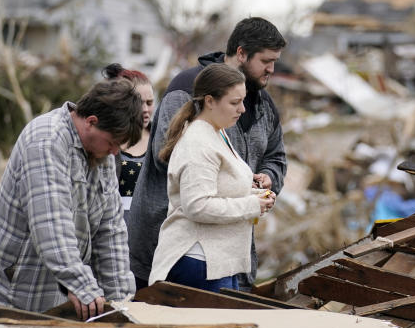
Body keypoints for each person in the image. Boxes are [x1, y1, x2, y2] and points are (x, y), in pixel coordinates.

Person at [127, 16, 287, 289]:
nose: (272, 69)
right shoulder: (187, 90)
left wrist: (267, 177)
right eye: (265, 61)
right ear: (241, 53)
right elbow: (166, 157)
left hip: (226, 249)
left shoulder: (263, 103)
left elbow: (276, 156)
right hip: (179, 248)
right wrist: (239, 187)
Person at [0, 80, 142, 320]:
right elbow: (51, 225)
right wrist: (82, 286)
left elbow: (111, 230)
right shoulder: (46, 141)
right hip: (9, 290)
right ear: (91, 122)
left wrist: (121, 303)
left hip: (52, 290)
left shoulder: (102, 156)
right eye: (112, 143)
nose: (115, 152)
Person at [149, 64, 275, 291]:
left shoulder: (217, 132)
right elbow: (197, 206)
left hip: (216, 263)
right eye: (234, 103)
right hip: (199, 264)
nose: (242, 109)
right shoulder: (198, 143)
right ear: (210, 101)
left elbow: (218, 189)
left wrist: (256, 195)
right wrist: (252, 204)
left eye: (243, 101)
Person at [101, 63, 156, 227]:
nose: (145, 109)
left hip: (150, 232)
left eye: (150, 102)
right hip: (110, 226)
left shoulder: (162, 140)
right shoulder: (105, 141)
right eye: (140, 102)